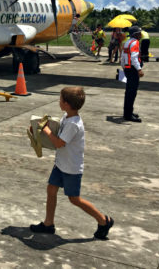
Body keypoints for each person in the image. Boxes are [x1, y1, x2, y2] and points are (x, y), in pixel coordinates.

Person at [29, 86, 114, 240]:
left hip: (71, 168)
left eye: (60, 99)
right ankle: (48, 224)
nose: (59, 101)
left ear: (67, 104)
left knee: (74, 199)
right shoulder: (67, 117)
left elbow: (59, 143)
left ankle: (103, 220)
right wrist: (37, 128)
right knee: (51, 190)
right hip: (61, 164)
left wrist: (46, 131)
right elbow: (58, 135)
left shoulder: (73, 124)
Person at [121, 26, 144, 122]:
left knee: (129, 92)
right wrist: (139, 69)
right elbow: (134, 57)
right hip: (133, 70)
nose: (141, 34)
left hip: (127, 69)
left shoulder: (127, 42)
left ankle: (128, 112)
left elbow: (123, 57)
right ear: (136, 34)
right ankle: (128, 115)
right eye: (139, 33)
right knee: (132, 92)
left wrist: (123, 67)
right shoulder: (135, 42)